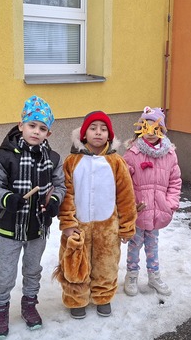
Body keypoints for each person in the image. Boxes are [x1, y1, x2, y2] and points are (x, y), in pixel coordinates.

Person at [0, 95, 66, 339]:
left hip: (38, 227)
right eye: (32, 125)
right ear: (21, 125)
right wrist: (8, 199)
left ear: (48, 133)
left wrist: (54, 201)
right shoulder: (2, 156)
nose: (36, 131)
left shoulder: (53, 159)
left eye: (42, 128)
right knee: (6, 272)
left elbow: (60, 186)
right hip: (10, 226)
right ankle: (1, 309)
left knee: (33, 269)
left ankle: (29, 304)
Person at [54, 111, 137, 318]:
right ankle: (76, 298)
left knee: (106, 264)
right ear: (84, 133)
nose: (98, 133)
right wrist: (68, 223)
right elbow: (66, 194)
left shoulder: (116, 162)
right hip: (78, 226)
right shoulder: (72, 161)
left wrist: (127, 226)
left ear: (109, 135)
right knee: (75, 262)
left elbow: (126, 196)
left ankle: (103, 296)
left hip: (107, 227)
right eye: (93, 128)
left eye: (103, 129)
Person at [122, 107, 182, 296]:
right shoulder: (132, 154)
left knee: (152, 245)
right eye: (146, 127)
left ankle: (154, 276)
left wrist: (170, 204)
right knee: (134, 244)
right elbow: (124, 182)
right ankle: (131, 275)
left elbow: (175, 181)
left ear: (162, 130)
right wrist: (129, 206)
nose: (150, 132)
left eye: (155, 128)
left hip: (158, 210)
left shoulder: (169, 154)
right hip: (138, 211)